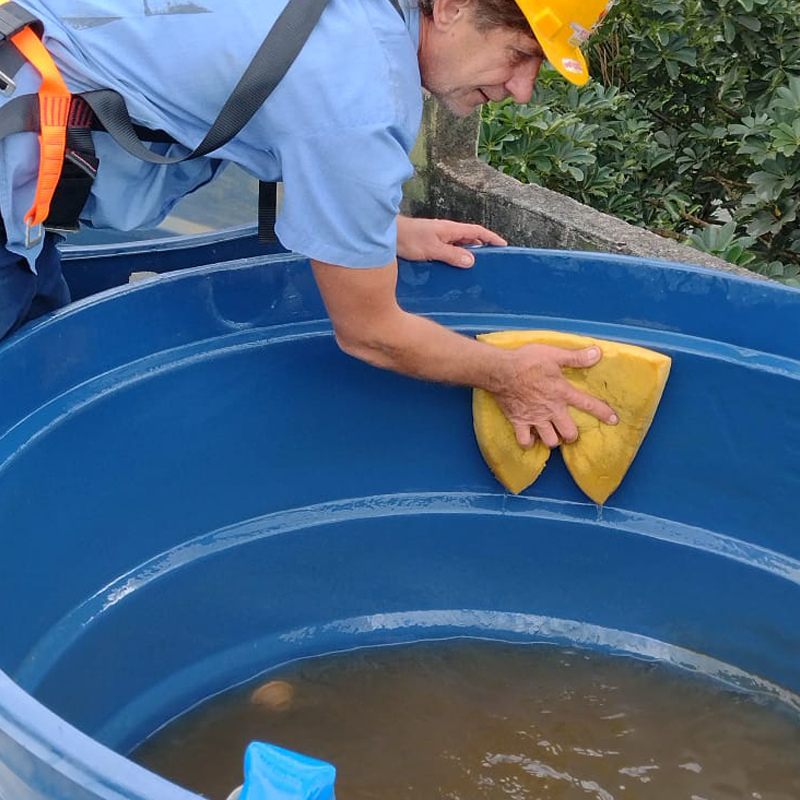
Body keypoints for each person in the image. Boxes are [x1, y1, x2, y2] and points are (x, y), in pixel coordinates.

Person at [0, 0, 618, 449]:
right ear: (453, 8)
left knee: (42, 373)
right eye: (520, 55)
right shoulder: (363, 92)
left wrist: (381, 231)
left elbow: (275, 98)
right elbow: (370, 333)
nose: (524, 89)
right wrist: (509, 375)